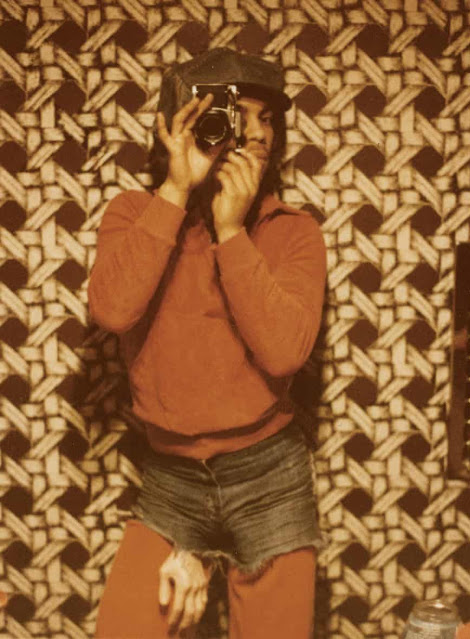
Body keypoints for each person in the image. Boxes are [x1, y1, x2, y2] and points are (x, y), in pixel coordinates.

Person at [88, 47, 327, 639]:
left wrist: (230, 230)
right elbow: (112, 311)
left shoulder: (293, 231)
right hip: (170, 479)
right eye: (236, 117)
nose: (258, 133)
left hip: (268, 476)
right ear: (177, 127)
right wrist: (175, 191)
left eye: (268, 118)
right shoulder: (135, 214)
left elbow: (284, 353)